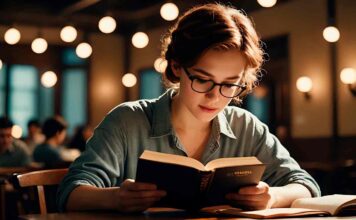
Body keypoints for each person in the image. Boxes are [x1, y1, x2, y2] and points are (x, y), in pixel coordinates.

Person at [57, 3, 320, 213]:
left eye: (230, 85)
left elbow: (306, 186)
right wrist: (116, 199)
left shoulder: (246, 127)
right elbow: (70, 193)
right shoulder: (128, 121)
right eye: (202, 80)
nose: (215, 97)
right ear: (176, 67)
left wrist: (272, 196)